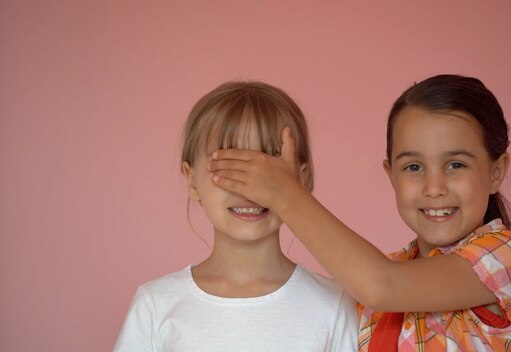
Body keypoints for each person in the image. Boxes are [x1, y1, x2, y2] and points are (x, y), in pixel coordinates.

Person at [208, 75, 511, 351]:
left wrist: (284, 193)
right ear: (391, 176)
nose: (434, 186)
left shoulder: (507, 255)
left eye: (456, 165)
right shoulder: (381, 274)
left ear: (497, 172)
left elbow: (381, 286)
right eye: (413, 167)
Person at [114, 81, 358, 352]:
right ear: (192, 181)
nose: (250, 187)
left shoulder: (334, 305)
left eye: (269, 169)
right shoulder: (155, 305)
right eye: (229, 165)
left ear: (301, 180)